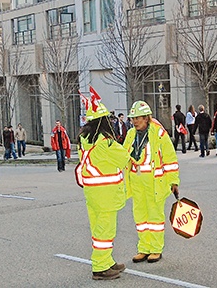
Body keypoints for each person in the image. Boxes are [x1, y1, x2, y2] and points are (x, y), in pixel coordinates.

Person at [75, 99, 129, 281]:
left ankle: (107, 260)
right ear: (103, 121)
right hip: (106, 193)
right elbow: (124, 158)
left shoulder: (84, 140)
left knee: (98, 227)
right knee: (105, 230)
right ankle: (100, 267)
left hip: (92, 191)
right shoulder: (105, 143)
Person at [123, 100, 180, 264]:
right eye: (133, 118)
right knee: (140, 216)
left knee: (155, 216)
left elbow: (170, 159)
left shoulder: (159, 133)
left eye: (138, 118)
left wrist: (173, 181)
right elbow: (123, 156)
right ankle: (144, 248)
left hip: (154, 182)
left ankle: (156, 249)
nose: (135, 121)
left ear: (146, 118)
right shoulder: (131, 134)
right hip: (136, 181)